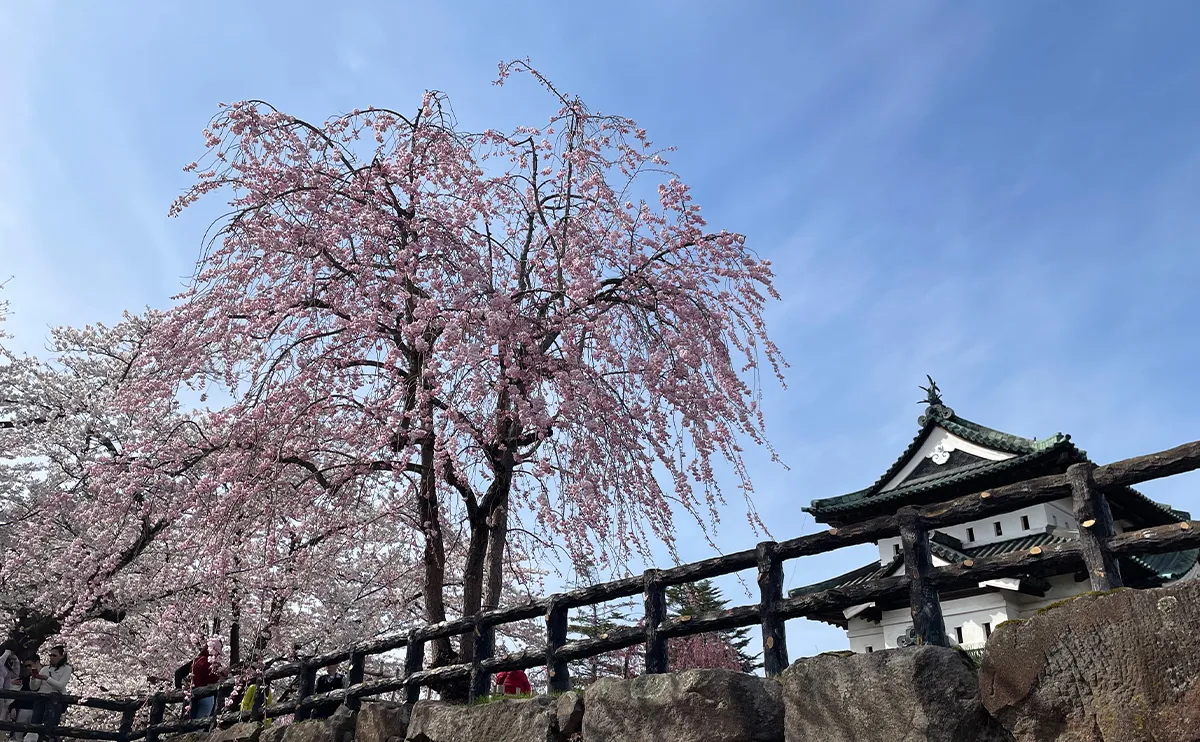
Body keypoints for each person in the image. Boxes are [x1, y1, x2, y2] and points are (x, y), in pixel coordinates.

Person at [188, 639, 226, 720]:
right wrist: (222, 675)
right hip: (205, 693)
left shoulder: (197, 660)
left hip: (194, 692)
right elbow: (213, 679)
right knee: (203, 717)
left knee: (194, 716)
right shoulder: (208, 662)